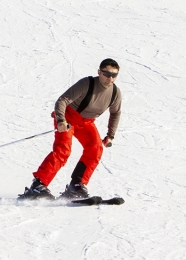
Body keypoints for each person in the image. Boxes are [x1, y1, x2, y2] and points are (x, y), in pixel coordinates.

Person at [19, 59, 123, 201]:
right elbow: (62, 100)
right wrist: (61, 120)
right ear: (99, 72)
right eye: (106, 73)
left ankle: (77, 186)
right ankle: (38, 185)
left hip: (86, 122)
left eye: (114, 75)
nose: (110, 78)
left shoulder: (115, 93)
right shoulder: (87, 84)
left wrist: (110, 135)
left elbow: (115, 112)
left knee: (96, 148)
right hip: (67, 117)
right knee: (63, 150)